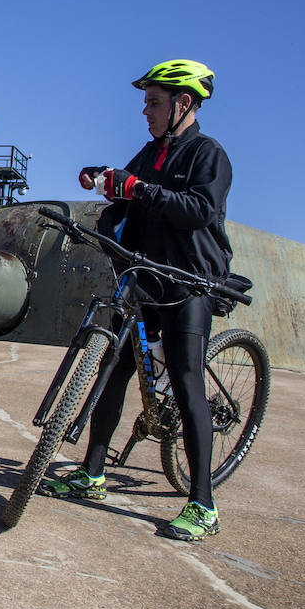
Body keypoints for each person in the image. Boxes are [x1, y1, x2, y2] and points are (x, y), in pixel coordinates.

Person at [41, 59, 233, 543]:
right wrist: (107, 185)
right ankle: (92, 474)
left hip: (190, 282)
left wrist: (140, 188)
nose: (145, 110)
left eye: (154, 102)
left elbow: (199, 211)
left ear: (183, 103)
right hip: (146, 276)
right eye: (145, 102)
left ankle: (203, 504)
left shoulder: (208, 155)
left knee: (188, 384)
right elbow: (129, 197)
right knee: (114, 372)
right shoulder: (152, 152)